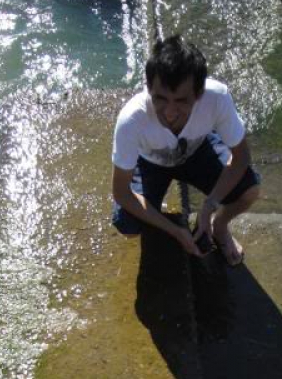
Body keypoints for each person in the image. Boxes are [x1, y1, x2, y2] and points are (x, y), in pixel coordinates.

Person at [111, 35, 261, 266]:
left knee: (249, 190)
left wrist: (209, 207)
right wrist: (174, 230)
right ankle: (156, 211)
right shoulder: (131, 119)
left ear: (199, 93)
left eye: (181, 101)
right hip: (151, 160)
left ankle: (219, 228)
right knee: (127, 225)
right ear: (148, 87)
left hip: (197, 150)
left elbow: (241, 158)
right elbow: (121, 193)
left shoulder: (217, 97)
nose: (170, 113)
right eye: (161, 99)